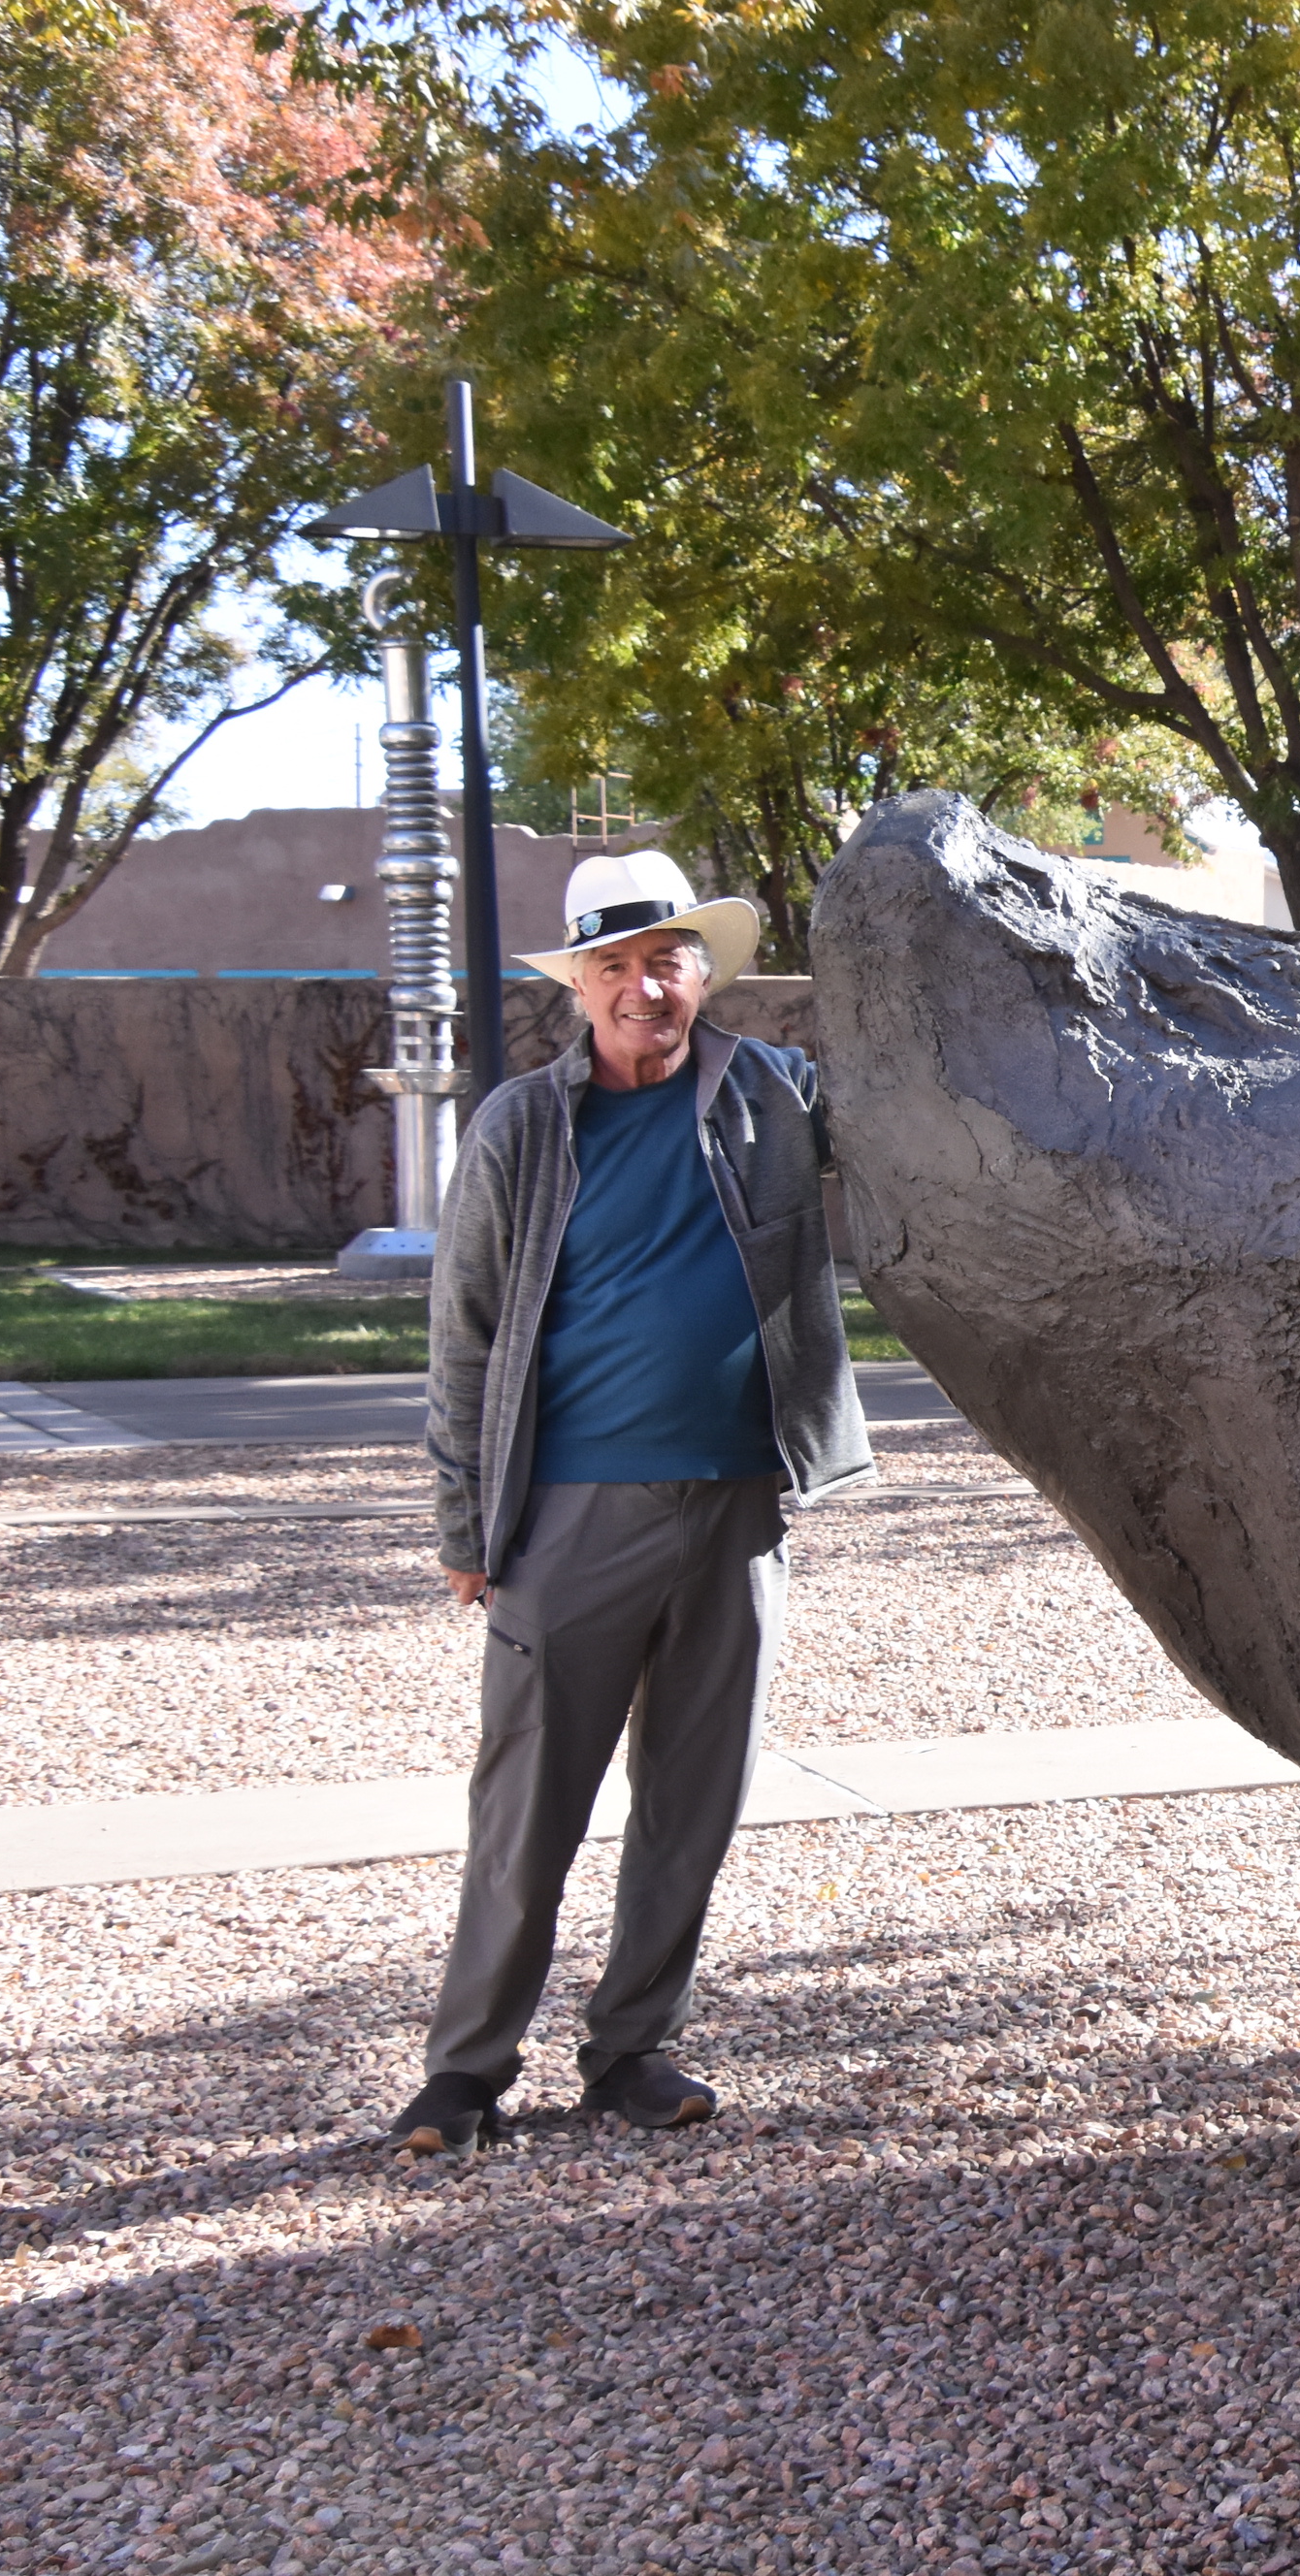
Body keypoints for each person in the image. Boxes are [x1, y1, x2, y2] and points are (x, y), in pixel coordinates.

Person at [388, 850, 873, 2154]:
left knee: (690, 1807)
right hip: (570, 1515)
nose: (642, 988)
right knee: (527, 1812)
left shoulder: (775, 1093)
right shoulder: (522, 1127)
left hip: (738, 1509)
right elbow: (465, 1336)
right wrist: (464, 1528)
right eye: (614, 965)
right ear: (580, 984)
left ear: (702, 973)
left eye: (666, 961)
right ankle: (468, 2069)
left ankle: (631, 2051)